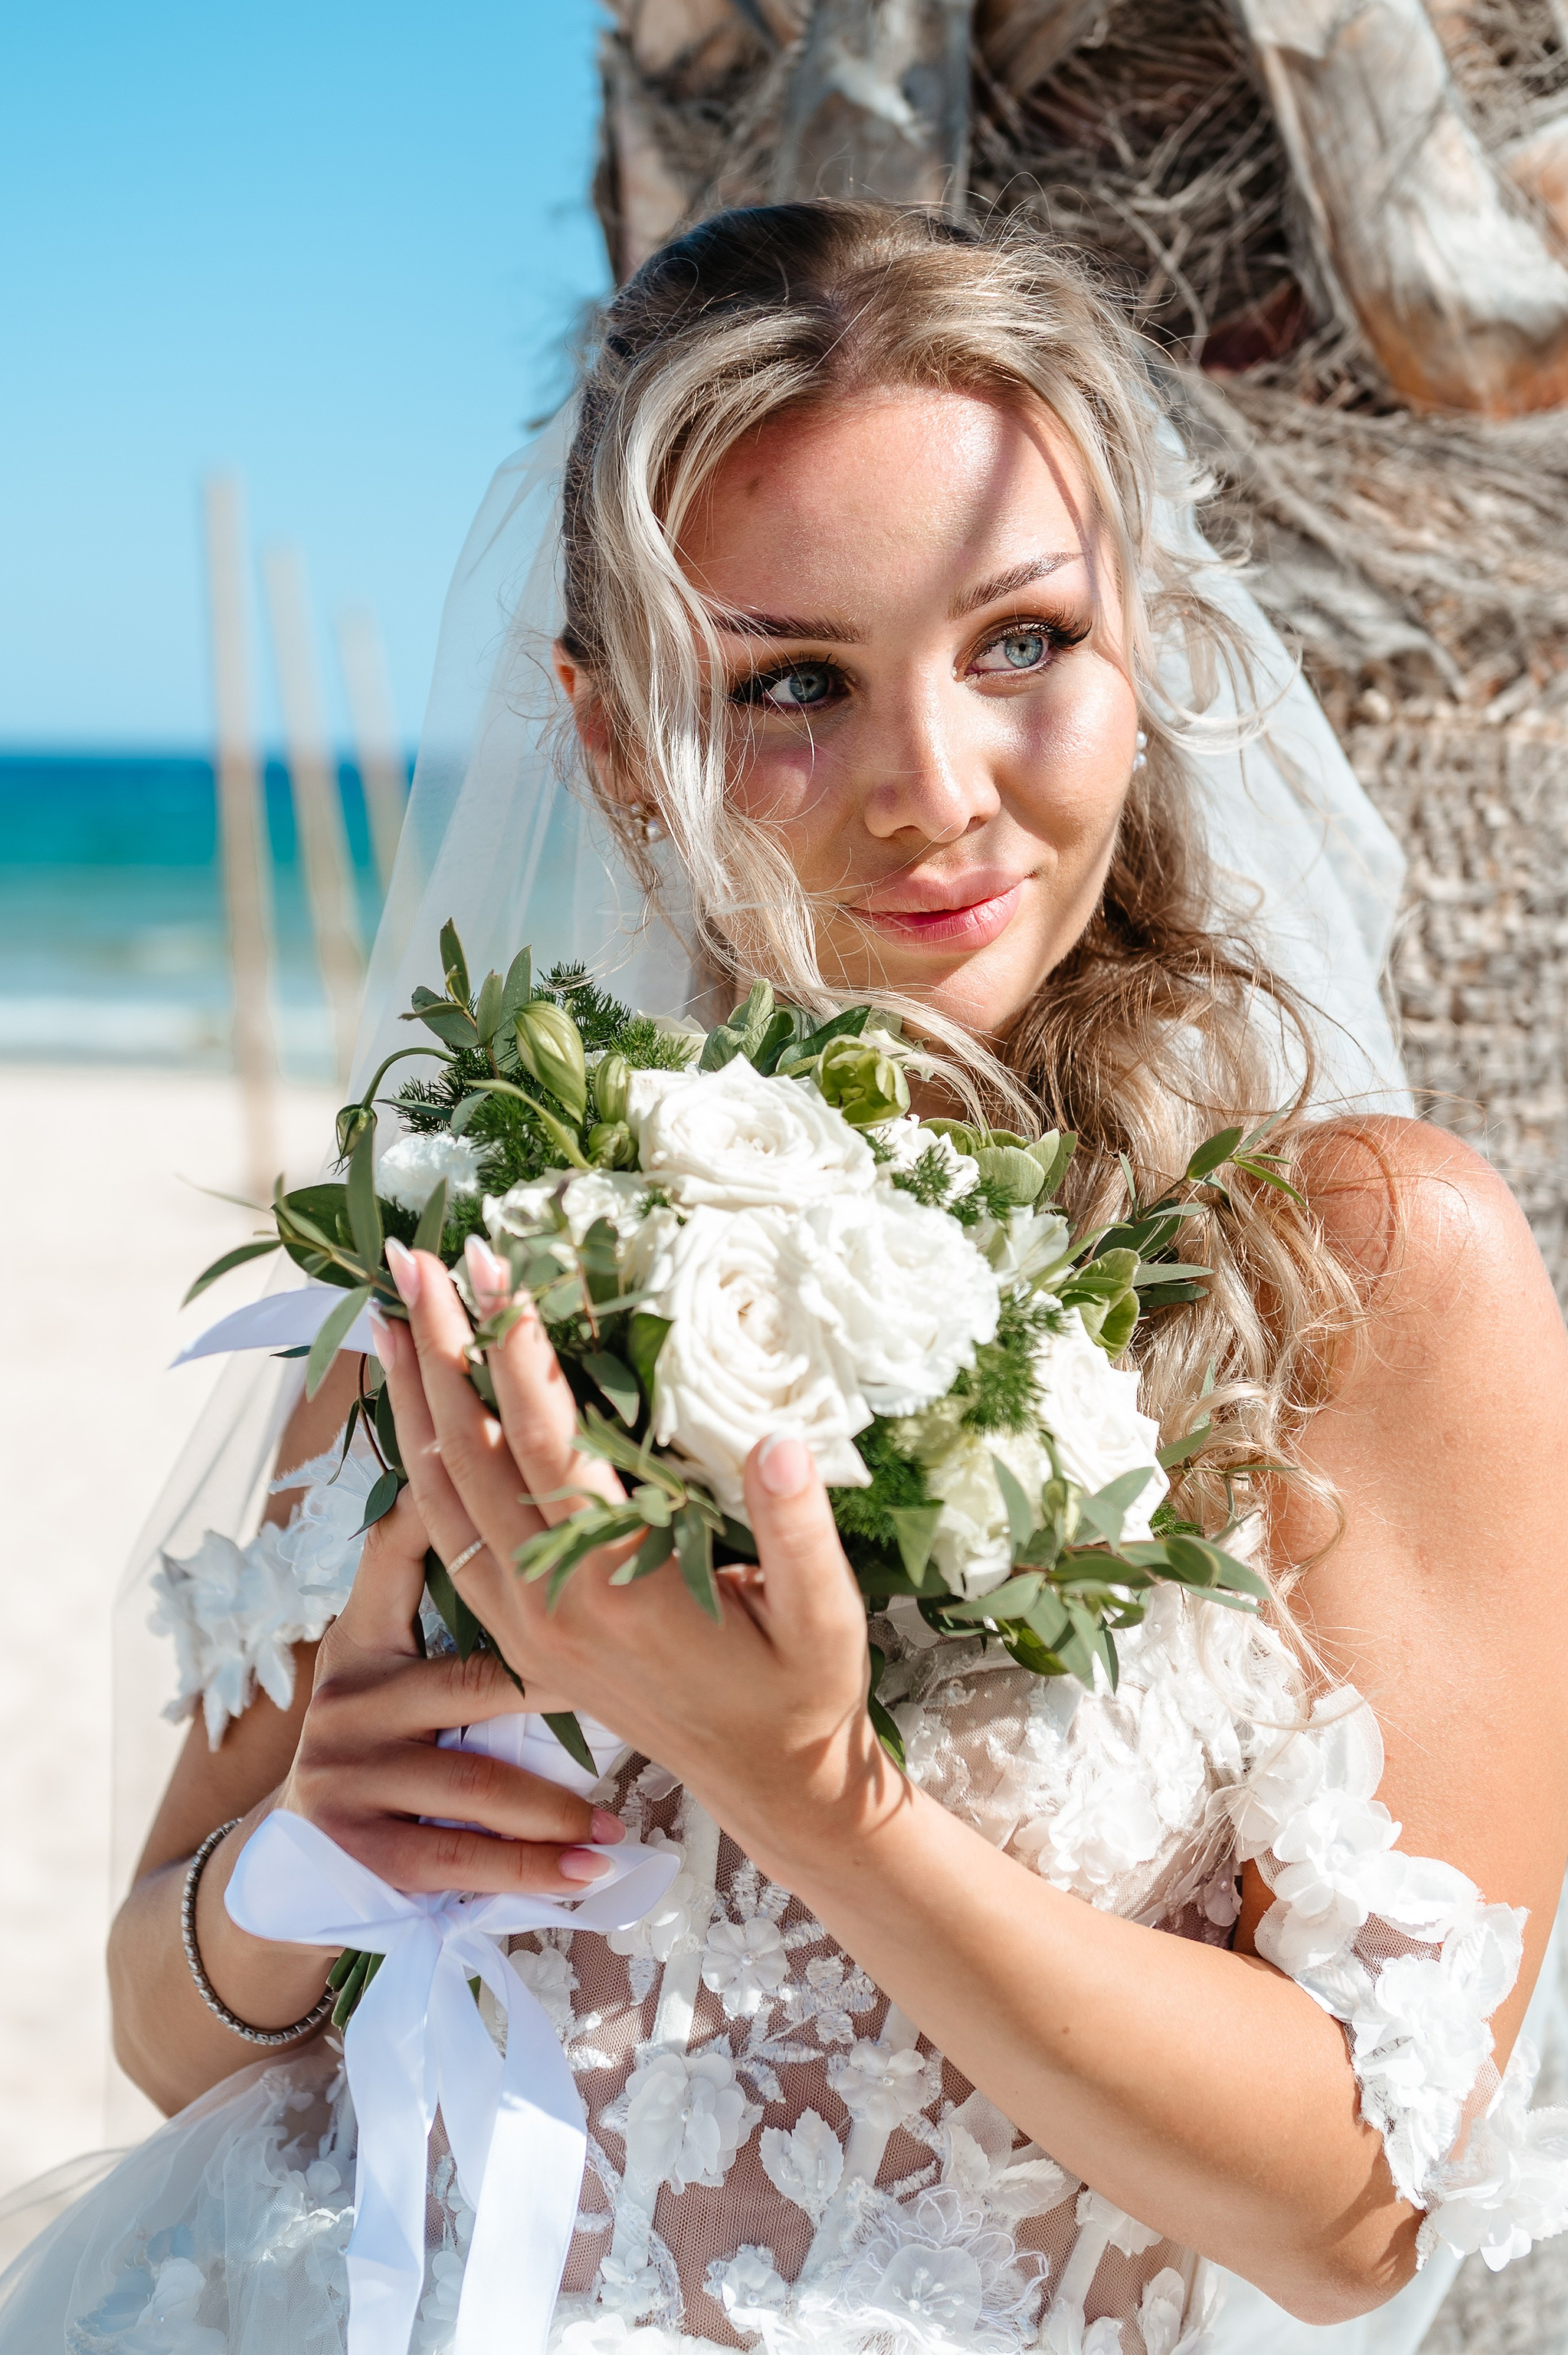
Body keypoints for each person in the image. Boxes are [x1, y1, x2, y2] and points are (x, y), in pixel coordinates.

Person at [5, 199, 1567, 2355]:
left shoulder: (1354, 1270)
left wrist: (809, 1789)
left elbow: (1361, 2210)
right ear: (613, 737)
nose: (937, 793)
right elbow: (163, 2024)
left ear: (1139, 633)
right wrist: (308, 1854)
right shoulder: (496, 1242)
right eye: (795, 685)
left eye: (1020, 641)